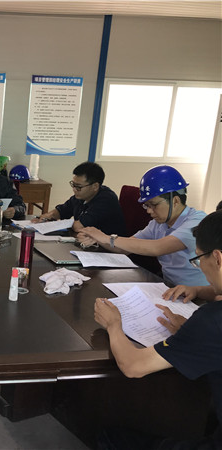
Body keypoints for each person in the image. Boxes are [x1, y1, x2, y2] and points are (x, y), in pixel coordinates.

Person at [94, 210, 222, 449]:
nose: (199, 268)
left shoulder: (212, 320)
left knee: (112, 437)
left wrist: (113, 324)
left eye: (197, 259)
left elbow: (133, 366)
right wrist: (199, 291)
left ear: (217, 258)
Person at [79, 165, 207, 287]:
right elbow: (125, 248)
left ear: (175, 201)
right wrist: (98, 239)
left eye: (153, 205)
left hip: (199, 295)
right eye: (147, 205)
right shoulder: (158, 224)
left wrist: (107, 238)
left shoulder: (197, 221)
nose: (149, 211)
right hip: (169, 288)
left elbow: (158, 247)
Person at [32, 161, 126, 235]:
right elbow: (61, 211)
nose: (74, 189)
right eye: (73, 184)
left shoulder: (106, 200)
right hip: (87, 243)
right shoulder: (81, 196)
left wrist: (55, 224)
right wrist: (47, 217)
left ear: (95, 186)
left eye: (78, 186)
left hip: (107, 249)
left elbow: (79, 227)